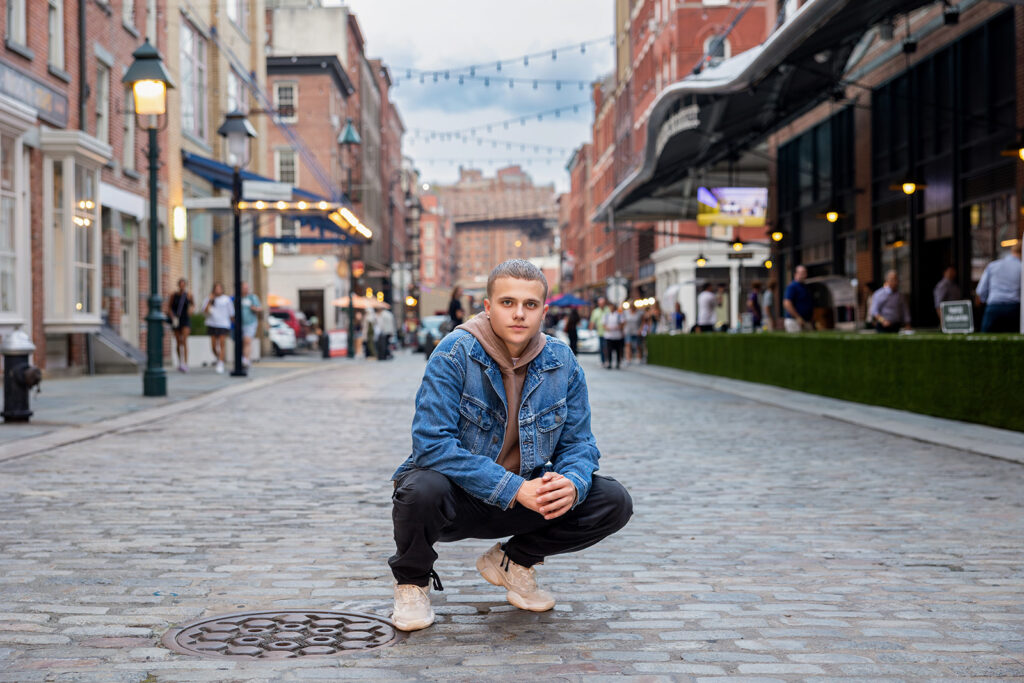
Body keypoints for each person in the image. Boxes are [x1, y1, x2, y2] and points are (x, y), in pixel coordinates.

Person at [388, 259, 632, 632]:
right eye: (507, 303)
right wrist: (514, 489)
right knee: (420, 487)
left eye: (530, 305)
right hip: (459, 499)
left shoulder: (561, 361)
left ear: (543, 312)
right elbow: (431, 444)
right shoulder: (454, 353)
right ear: (488, 307)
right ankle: (412, 583)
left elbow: (580, 443)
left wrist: (572, 482)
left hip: (527, 496)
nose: (519, 314)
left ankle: (513, 563)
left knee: (611, 499)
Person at [976, 240, 1022, 333]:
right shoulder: (1021, 267)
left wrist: (985, 302)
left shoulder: (993, 265)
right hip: (1014, 309)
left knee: (985, 342)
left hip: (993, 308)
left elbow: (981, 291)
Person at [202, 282, 233, 374]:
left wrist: (232, 324)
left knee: (222, 344)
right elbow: (205, 311)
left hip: (223, 324)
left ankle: (220, 362)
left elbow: (231, 313)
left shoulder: (226, 299)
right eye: (216, 288)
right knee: (213, 346)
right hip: (212, 323)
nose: (218, 290)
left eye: (219, 288)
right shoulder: (209, 299)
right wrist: (210, 300)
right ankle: (220, 358)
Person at [167, 278, 193, 373]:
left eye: (183, 284)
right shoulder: (174, 295)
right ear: (178, 285)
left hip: (185, 319)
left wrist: (191, 310)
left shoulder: (189, 295)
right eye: (180, 284)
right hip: (176, 320)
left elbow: (192, 305)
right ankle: (180, 362)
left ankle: (185, 363)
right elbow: (169, 307)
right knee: (178, 342)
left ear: (185, 285)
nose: (182, 286)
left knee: (184, 340)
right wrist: (172, 315)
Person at [783, 265, 813, 333]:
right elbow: (787, 303)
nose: (804, 275)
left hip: (806, 320)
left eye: (805, 273)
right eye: (802, 273)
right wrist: (798, 317)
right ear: (795, 274)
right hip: (794, 321)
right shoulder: (792, 286)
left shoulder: (805, 286)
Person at [239, 282, 261, 367]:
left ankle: (245, 359)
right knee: (241, 342)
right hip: (239, 324)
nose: (245, 289)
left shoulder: (252, 297)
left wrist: (254, 308)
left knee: (247, 340)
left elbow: (259, 308)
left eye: (246, 288)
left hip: (250, 323)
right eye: (243, 288)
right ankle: (243, 357)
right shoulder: (237, 298)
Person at [589, 297, 611, 368]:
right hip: (600, 333)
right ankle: (603, 361)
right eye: (600, 304)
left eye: (603, 303)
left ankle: (608, 360)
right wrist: (591, 331)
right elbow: (592, 321)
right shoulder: (595, 311)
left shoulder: (608, 310)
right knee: (602, 347)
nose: (601, 305)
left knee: (607, 347)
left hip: (609, 333)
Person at [603, 303, 625, 369]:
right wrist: (608, 328)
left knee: (618, 350)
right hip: (609, 336)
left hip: (617, 336)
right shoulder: (606, 315)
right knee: (609, 350)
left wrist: (618, 327)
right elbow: (603, 324)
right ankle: (609, 362)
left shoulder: (619, 315)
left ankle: (618, 363)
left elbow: (623, 323)